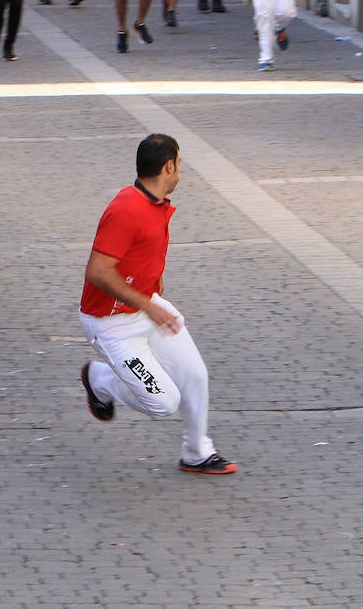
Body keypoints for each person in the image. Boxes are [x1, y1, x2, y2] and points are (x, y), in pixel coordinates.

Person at [78, 133, 237, 476]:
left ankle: (197, 452)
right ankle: (99, 379)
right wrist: (149, 305)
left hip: (145, 307)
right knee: (164, 402)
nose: (180, 171)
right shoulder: (127, 208)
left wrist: (153, 290)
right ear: (169, 165)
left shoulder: (155, 202)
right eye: (179, 164)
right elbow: (97, 271)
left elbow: (140, 254)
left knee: (194, 374)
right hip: (111, 324)